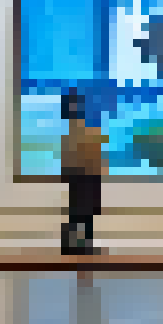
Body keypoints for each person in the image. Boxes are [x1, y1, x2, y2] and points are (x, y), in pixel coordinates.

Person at [59, 89, 108, 254]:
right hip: (84, 176)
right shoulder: (84, 132)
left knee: (80, 213)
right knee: (82, 214)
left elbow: (68, 158)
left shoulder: (74, 132)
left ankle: (76, 245)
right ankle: (79, 245)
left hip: (81, 176)